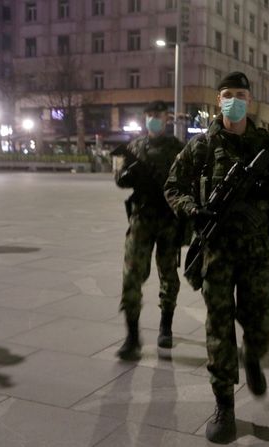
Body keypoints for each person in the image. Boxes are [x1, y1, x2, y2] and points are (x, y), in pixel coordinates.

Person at [164, 71, 269, 444]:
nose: (234, 101)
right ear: (218, 101)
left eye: (240, 94)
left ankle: (254, 354)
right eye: (228, 95)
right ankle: (224, 403)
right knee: (218, 328)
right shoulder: (202, 146)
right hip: (217, 253)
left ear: (250, 101)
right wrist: (193, 210)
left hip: (258, 252)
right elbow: (173, 187)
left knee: (262, 324)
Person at [114, 100, 185, 361]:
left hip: (168, 219)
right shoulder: (133, 147)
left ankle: (166, 325)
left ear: (168, 118)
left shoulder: (178, 148)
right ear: (145, 118)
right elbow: (119, 178)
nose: (155, 119)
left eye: (159, 115)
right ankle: (132, 336)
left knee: (168, 273)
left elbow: (186, 182)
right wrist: (129, 175)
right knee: (131, 275)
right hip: (141, 220)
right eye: (150, 115)